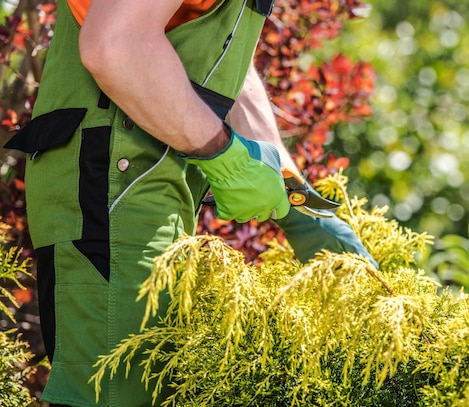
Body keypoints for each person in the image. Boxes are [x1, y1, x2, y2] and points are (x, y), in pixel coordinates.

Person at [4, 0, 375, 406]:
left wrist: (294, 196)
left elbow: (222, 56)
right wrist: (223, 154)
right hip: (110, 186)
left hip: (143, 186)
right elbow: (115, 44)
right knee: (118, 394)